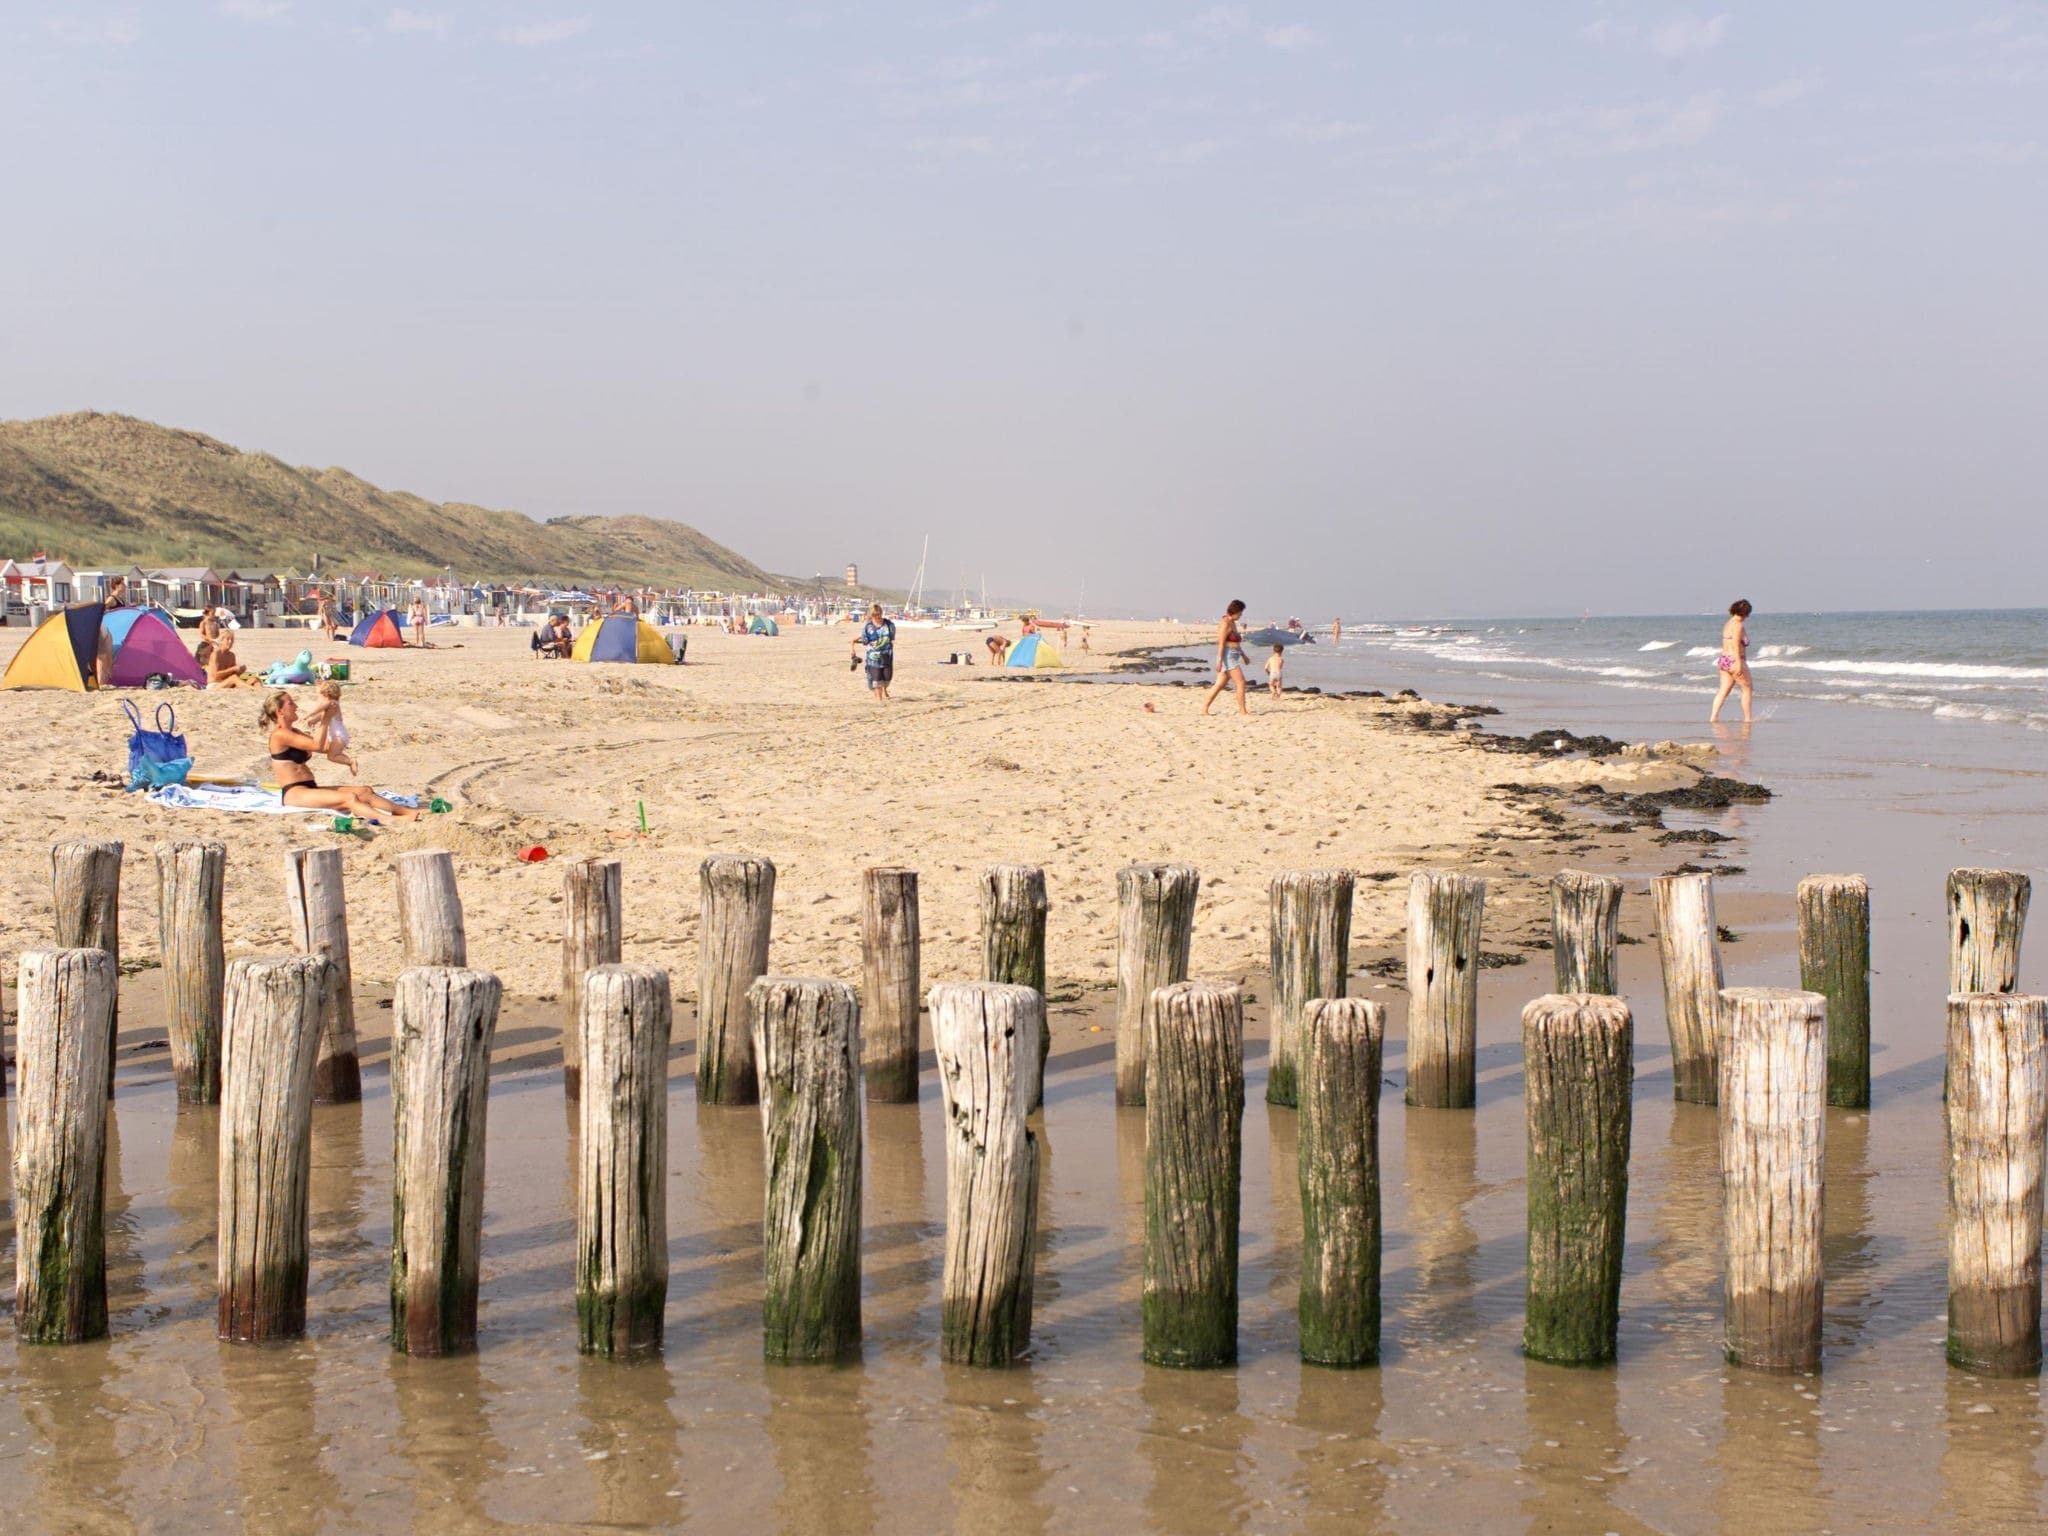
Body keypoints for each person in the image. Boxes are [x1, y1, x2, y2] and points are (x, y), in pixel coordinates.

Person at [263, 691, 418, 818]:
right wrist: (325, 718)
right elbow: (317, 745)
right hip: (294, 793)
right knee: (349, 798)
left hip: (310, 788)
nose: (296, 706)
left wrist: (338, 731)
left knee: (364, 791)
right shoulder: (280, 735)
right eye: (291, 703)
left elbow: (324, 747)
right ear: (280, 711)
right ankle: (390, 821)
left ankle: (404, 812)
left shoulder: (294, 732)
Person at [1201, 599, 1251, 716]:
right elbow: (1221, 643)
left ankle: (1204, 709)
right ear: (1235, 611)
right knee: (1241, 682)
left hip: (1234, 654)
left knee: (1219, 685)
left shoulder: (1232, 622)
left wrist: (1244, 656)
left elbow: (1236, 643)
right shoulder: (1225, 623)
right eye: (1240, 613)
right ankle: (1243, 711)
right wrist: (1219, 661)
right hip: (1228, 657)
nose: (1241, 615)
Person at [1709, 599, 1754, 724]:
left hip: (1724, 659)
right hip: (1735, 659)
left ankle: (1713, 717)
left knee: (1723, 690)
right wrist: (1739, 664)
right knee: (1747, 688)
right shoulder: (1738, 626)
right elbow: (1735, 645)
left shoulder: (1728, 623)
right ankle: (1748, 719)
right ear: (1746, 613)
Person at [305, 679, 360, 777]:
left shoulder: (333, 703)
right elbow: (322, 715)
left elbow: (322, 706)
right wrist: (313, 720)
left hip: (339, 736)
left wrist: (310, 713)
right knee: (321, 748)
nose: (319, 699)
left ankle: (351, 761)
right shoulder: (329, 706)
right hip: (333, 736)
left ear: (327, 694)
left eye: (320, 696)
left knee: (332, 756)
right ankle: (349, 761)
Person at [856, 602, 896, 702]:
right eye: (874, 614)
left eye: (878, 614)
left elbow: (892, 638)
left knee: (887, 677)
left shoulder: (889, 625)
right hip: (873, 656)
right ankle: (879, 699)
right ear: (871, 615)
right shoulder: (867, 627)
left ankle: (883, 690)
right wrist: (858, 640)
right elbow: (865, 640)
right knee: (877, 678)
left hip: (886, 655)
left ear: (881, 613)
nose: (877, 616)